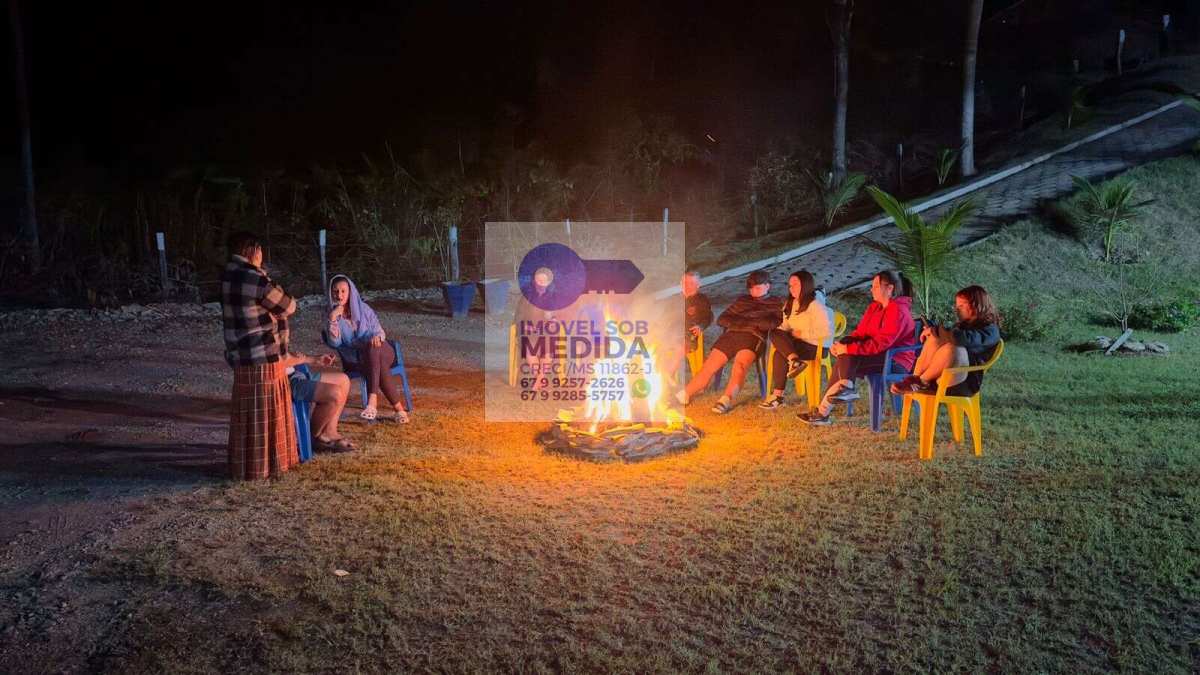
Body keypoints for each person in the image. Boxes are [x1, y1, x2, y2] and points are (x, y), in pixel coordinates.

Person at [221, 231, 304, 480]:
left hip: (240, 357)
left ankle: (245, 467)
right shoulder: (253, 277)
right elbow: (288, 305)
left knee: (248, 416)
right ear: (252, 250)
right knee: (269, 414)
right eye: (259, 251)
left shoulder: (228, 275)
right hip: (263, 355)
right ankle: (271, 465)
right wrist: (265, 276)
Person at [798, 270, 917, 426]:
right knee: (846, 347)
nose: (871, 289)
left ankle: (827, 408)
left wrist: (848, 349)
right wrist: (841, 345)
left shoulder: (898, 310)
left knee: (848, 353)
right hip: (878, 355)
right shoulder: (875, 307)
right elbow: (860, 333)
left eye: (876, 286)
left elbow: (881, 343)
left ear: (889, 288)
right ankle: (843, 390)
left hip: (895, 359)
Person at [676, 269, 779, 414]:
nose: (753, 292)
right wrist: (751, 323)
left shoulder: (775, 303)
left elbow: (773, 323)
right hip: (731, 336)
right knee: (709, 366)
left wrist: (742, 322)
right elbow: (723, 319)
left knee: (740, 366)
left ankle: (726, 399)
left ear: (767, 286)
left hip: (753, 338)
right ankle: (685, 394)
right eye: (751, 288)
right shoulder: (743, 300)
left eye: (757, 288)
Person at [323, 274, 410, 423]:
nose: (339, 295)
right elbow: (335, 343)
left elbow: (380, 331)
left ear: (350, 291)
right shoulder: (332, 315)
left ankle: (372, 402)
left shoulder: (363, 308)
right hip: (361, 358)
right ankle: (400, 411)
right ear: (331, 293)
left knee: (373, 347)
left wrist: (376, 337)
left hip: (383, 350)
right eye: (335, 291)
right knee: (378, 365)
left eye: (343, 291)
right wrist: (333, 319)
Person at [891, 285, 1001, 396]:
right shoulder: (961, 326)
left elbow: (964, 339)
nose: (957, 310)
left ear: (977, 305)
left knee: (953, 348)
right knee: (934, 339)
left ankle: (922, 381)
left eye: (961, 306)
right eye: (956, 306)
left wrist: (939, 332)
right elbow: (950, 336)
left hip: (964, 382)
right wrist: (934, 332)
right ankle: (915, 379)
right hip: (940, 377)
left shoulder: (990, 330)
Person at [759, 270, 834, 409]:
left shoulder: (815, 304)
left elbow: (826, 331)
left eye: (795, 284)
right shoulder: (791, 303)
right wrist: (781, 331)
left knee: (780, 352)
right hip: (799, 344)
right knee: (775, 333)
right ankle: (794, 361)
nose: (791, 288)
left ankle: (778, 395)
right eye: (790, 285)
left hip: (816, 346)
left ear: (805, 285)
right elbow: (787, 325)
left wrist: (803, 334)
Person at [288, 360, 356, 452]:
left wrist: (315, 359)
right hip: (286, 380)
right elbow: (282, 358)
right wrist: (309, 359)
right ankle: (311, 439)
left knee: (343, 380)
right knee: (334, 394)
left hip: (296, 373)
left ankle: (329, 431)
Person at [514, 268, 558, 390]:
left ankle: (538, 380)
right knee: (530, 350)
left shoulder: (552, 298)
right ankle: (540, 379)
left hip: (545, 331)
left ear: (549, 282)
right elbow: (518, 316)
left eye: (544, 280)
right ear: (534, 280)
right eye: (538, 279)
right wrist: (525, 325)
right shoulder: (526, 297)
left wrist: (554, 320)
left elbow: (556, 316)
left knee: (548, 349)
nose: (541, 282)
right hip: (528, 330)